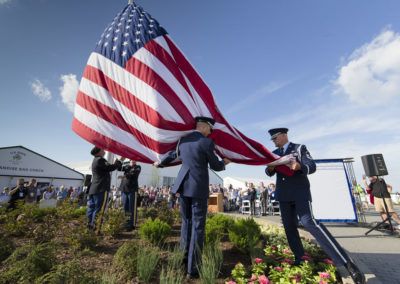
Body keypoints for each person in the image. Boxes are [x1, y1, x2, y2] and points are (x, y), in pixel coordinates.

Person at [265, 127, 365, 284]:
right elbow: (269, 171)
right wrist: (270, 168)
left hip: (299, 192)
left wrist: (299, 167)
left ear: (284, 135)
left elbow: (311, 166)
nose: (273, 140)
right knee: (289, 227)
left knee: (308, 222)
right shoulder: (274, 153)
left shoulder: (299, 148)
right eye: (272, 139)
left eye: (275, 137)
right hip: (284, 194)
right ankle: (300, 259)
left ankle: (347, 263)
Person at [154, 116, 231, 278]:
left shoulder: (183, 141)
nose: (210, 133)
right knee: (197, 226)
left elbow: (172, 155)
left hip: (183, 186)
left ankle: (182, 260)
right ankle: (193, 268)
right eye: (210, 130)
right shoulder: (206, 142)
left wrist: (160, 163)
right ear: (204, 127)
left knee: (186, 224)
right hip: (198, 188)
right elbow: (215, 165)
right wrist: (224, 162)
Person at [86, 146, 124, 234]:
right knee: (99, 210)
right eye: (102, 150)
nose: (104, 151)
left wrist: (114, 163)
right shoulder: (100, 160)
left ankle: (88, 228)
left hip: (93, 189)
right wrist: (120, 161)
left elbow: (108, 167)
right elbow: (110, 168)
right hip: (101, 188)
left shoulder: (95, 161)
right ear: (98, 152)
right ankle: (96, 230)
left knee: (91, 209)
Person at [119, 159, 141, 231]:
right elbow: (119, 168)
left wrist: (125, 176)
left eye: (134, 159)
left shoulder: (137, 167)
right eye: (131, 159)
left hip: (132, 190)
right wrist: (119, 161)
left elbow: (133, 173)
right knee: (125, 207)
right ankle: (126, 223)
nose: (132, 161)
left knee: (132, 208)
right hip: (124, 190)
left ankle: (132, 225)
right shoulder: (126, 166)